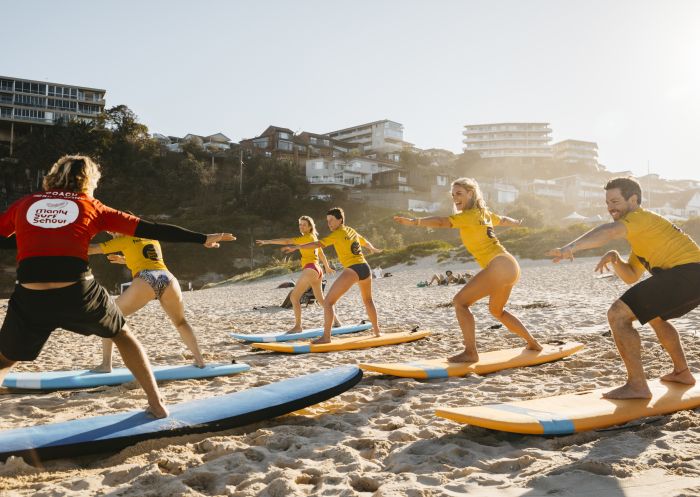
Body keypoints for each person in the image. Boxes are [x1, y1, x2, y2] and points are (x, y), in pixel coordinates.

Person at [0, 155, 234, 418]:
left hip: (31, 294)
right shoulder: (91, 205)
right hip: (77, 292)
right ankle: (156, 404)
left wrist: (31, 241)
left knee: (6, 358)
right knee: (123, 335)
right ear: (89, 180)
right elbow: (153, 229)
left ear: (53, 175)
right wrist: (202, 238)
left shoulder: (25, 204)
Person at [546, 177, 700, 399]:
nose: (610, 208)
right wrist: (616, 259)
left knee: (617, 314)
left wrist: (571, 247)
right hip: (690, 278)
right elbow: (631, 276)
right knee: (654, 316)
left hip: (687, 274)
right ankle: (682, 373)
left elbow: (608, 232)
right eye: (608, 203)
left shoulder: (641, 218)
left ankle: (637, 386)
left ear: (633, 199)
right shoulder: (642, 236)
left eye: (615, 201)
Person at [394, 177, 542, 362]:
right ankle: (533, 343)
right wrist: (515, 222)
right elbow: (502, 220)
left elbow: (441, 222)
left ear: (470, 194)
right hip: (510, 265)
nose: (455, 198)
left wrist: (414, 222)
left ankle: (470, 352)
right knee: (497, 311)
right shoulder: (484, 213)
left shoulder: (468, 216)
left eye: (459, 193)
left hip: (499, 265)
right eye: (453, 195)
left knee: (460, 302)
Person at [87, 232, 206, 372]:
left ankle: (106, 365)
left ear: (122, 228)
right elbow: (146, 257)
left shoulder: (124, 239)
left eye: (113, 232)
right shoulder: (151, 237)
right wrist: (125, 259)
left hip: (146, 279)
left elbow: (91, 248)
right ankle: (200, 361)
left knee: (108, 317)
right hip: (167, 278)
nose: (112, 235)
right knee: (180, 322)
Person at [283, 207, 382, 344]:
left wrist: (298, 247)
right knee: (368, 300)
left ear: (340, 220)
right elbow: (364, 241)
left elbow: (318, 244)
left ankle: (326, 337)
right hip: (365, 267)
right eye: (327, 221)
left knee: (328, 302)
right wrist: (372, 248)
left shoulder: (337, 234)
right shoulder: (351, 230)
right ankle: (377, 332)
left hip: (353, 269)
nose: (329, 223)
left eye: (331, 220)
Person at [256, 216, 341, 333]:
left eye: (304, 225)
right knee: (321, 300)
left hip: (310, 269)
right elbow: (321, 253)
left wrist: (268, 241)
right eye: (300, 224)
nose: (301, 226)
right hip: (318, 270)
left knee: (294, 297)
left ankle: (298, 326)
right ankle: (336, 321)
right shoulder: (314, 237)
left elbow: (286, 241)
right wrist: (326, 267)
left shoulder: (306, 238)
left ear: (310, 226)